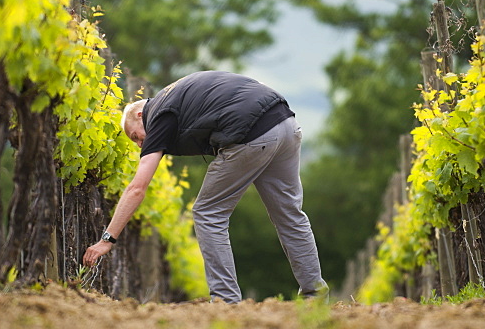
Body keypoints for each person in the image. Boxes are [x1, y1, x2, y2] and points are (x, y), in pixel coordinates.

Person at [82, 71, 327, 303]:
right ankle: (314, 296)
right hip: (285, 123)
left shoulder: (157, 114)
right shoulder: (175, 95)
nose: (139, 145)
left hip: (252, 134)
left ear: (139, 116)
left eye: (135, 136)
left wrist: (108, 238)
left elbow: (137, 188)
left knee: (208, 212)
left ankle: (225, 301)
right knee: (290, 215)